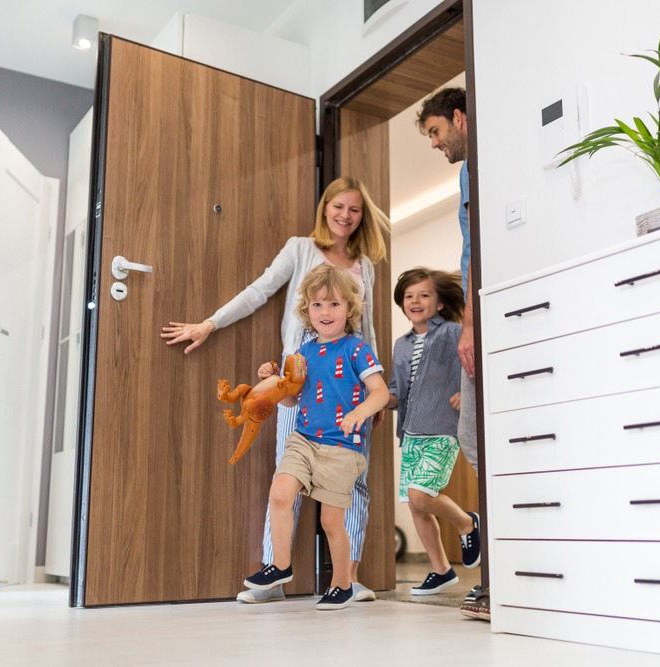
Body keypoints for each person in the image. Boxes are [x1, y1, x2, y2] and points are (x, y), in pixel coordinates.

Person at [160, 177, 390, 603]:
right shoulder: (300, 248)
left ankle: (348, 578)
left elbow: (369, 327)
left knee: (352, 484)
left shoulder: (366, 265)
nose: (345, 215)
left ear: (362, 217)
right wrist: (210, 323)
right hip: (298, 383)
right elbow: (260, 291)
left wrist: (376, 392)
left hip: (353, 389)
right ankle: (275, 576)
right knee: (287, 478)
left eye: (354, 210)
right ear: (325, 207)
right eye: (339, 206)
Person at [242, 264, 389, 610]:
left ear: (349, 309)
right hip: (304, 439)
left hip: (341, 447)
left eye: (334, 304)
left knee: (330, 521)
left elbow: (380, 392)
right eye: (318, 305)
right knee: (280, 493)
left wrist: (360, 412)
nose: (326, 312)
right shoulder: (303, 352)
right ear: (306, 310)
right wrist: (276, 380)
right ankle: (279, 566)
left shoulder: (356, 349)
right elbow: (292, 398)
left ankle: (341, 584)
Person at [416, 86, 489, 620]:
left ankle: (498, 575)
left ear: (459, 118)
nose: (437, 145)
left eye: (437, 133)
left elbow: (476, 249)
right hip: (482, 310)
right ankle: (500, 573)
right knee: (478, 439)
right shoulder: (473, 168)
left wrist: (468, 326)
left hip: (483, 314)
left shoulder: (478, 164)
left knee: (479, 440)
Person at [386, 268, 481, 596]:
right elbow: (397, 390)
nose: (415, 301)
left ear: (440, 303)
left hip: (442, 428)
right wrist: (375, 400)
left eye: (424, 295)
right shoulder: (401, 344)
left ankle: (467, 523)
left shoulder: (454, 332)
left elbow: (473, 363)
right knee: (417, 505)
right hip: (410, 431)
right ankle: (441, 570)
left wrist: (464, 392)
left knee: (421, 495)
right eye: (409, 295)